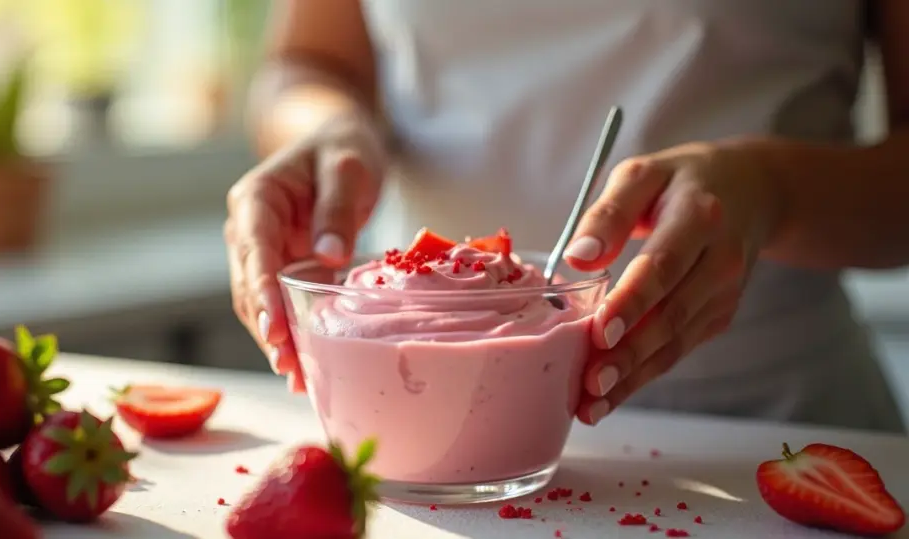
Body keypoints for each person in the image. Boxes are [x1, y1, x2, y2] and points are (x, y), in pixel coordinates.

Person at [224, 0, 909, 434]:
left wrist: (768, 190)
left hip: (767, 427)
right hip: (416, 423)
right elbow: (307, 63)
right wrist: (326, 130)